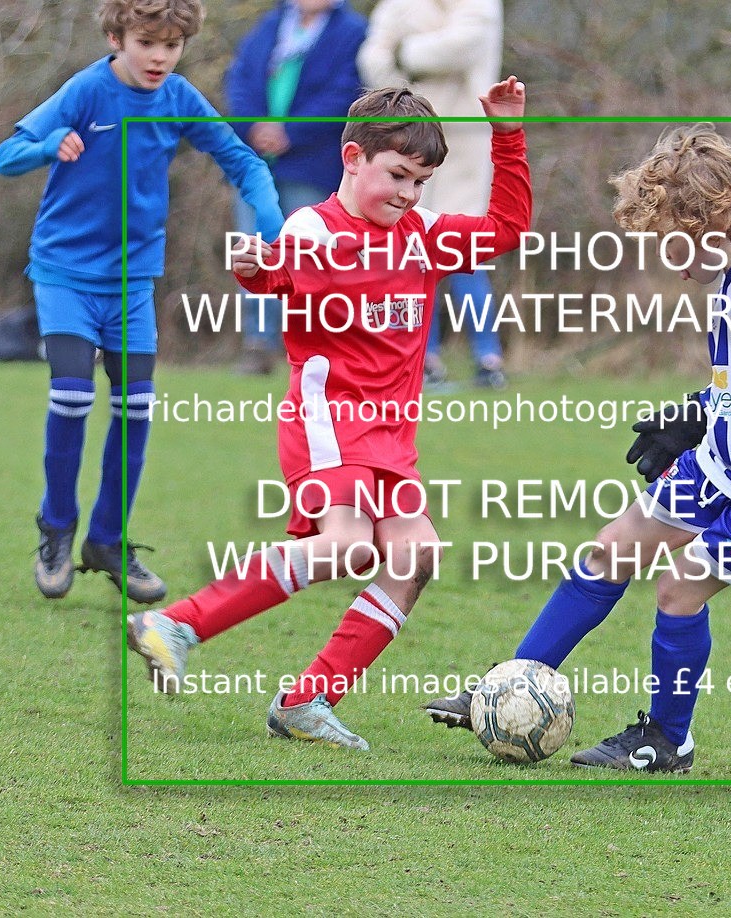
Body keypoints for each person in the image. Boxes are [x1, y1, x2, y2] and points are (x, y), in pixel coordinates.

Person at [426, 124, 731, 773]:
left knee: (679, 589)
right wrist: (696, 415)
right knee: (612, 549)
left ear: (710, 220)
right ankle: (511, 686)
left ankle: (667, 740)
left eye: (670, 238)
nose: (667, 256)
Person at [127, 78, 531, 750]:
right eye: (397, 175)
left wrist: (508, 135)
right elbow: (281, 270)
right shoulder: (315, 227)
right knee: (346, 544)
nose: (408, 194)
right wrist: (255, 268)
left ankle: (307, 700)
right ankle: (175, 624)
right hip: (329, 422)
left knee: (416, 555)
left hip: (390, 438)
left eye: (420, 182)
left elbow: (507, 229)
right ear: (352, 158)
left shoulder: (424, 236)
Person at [0, 0, 285, 604]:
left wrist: (271, 221)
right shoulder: (86, 90)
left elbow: (243, 161)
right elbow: (6, 156)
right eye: (147, 42)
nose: (159, 57)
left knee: (135, 409)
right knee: (72, 394)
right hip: (65, 272)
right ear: (116, 37)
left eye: (171, 46)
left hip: (132, 283)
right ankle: (56, 527)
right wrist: (49, 146)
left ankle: (106, 540)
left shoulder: (178, 98)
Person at [357, 0, 508, 388]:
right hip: (410, 139)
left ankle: (488, 360)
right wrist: (407, 80)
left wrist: (406, 53)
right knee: (410, 249)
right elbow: (372, 59)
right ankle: (423, 359)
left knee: (465, 248)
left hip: (464, 139)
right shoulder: (397, 5)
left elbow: (463, 46)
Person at [224, 0, 366, 375]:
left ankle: (314, 347)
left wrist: (291, 132)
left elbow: (346, 94)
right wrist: (255, 127)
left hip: (312, 166)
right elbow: (239, 80)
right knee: (253, 252)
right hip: (256, 164)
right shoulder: (269, 26)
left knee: (310, 258)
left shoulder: (352, 32)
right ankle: (258, 345)